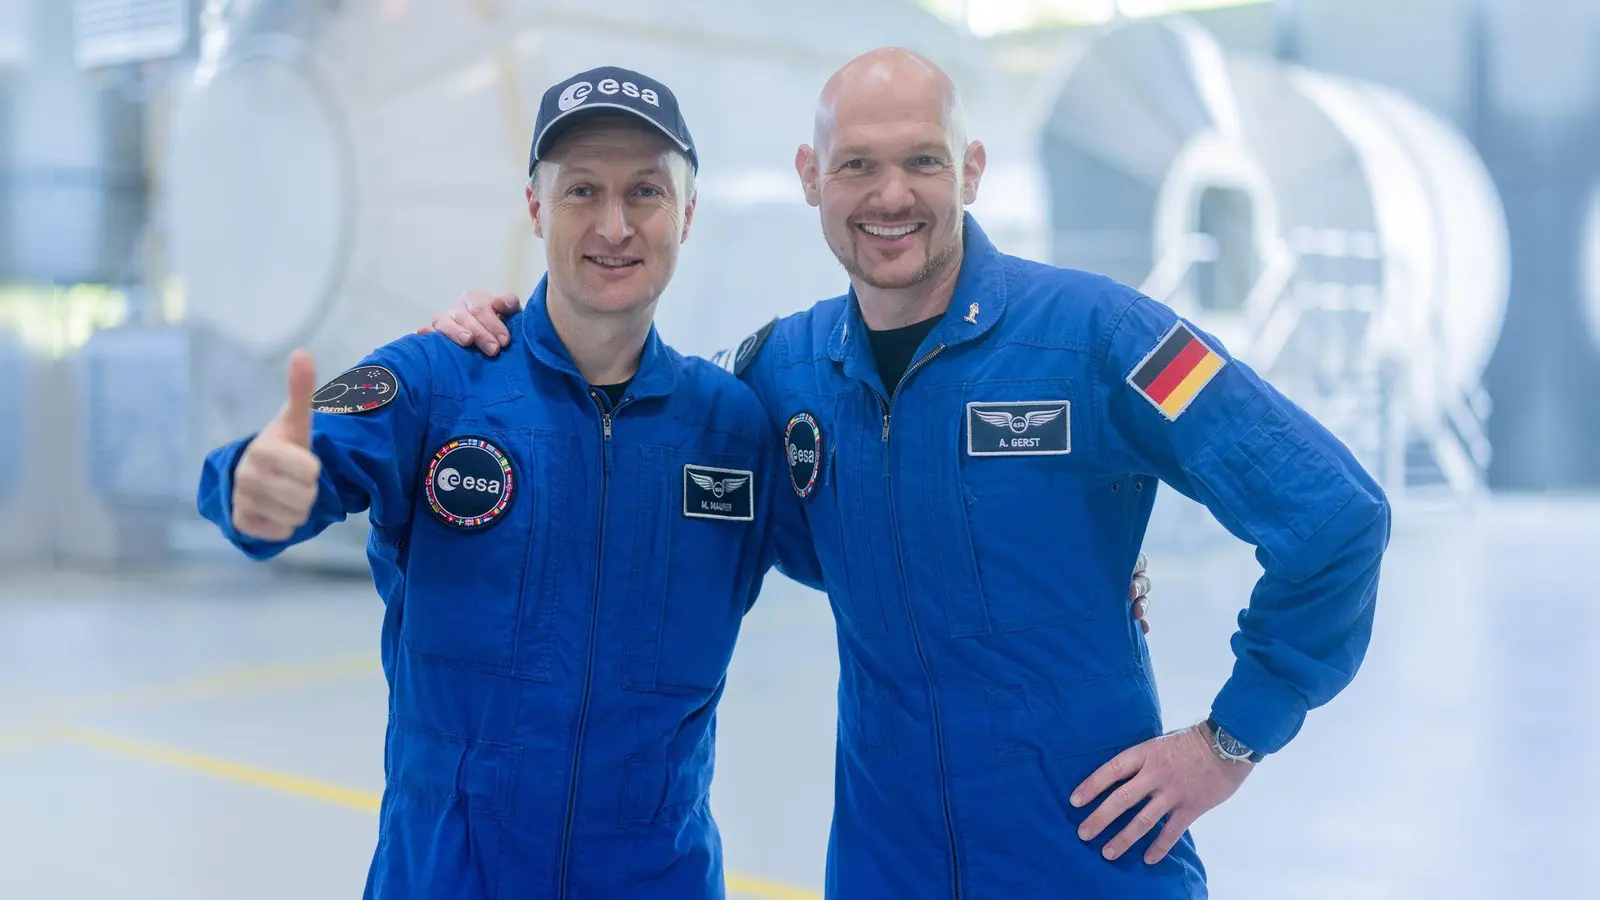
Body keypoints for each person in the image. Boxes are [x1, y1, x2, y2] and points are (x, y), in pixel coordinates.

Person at [426, 48, 1385, 899]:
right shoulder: (779, 371)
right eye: (858, 166)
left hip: (1090, 860)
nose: (892, 196)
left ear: (969, 168)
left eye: (923, 160)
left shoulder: (1105, 336)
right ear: (811, 178)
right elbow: (642, 423)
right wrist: (499, 342)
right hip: (887, 866)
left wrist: (1229, 742)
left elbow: (1334, 515)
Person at [196, 66, 831, 900]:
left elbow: (888, 590)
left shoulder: (733, 429)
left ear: (688, 211)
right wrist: (250, 482)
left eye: (645, 190)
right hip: (449, 876)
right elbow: (294, 461)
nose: (614, 224)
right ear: (535, 209)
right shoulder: (434, 380)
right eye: (580, 191)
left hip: (656, 877)